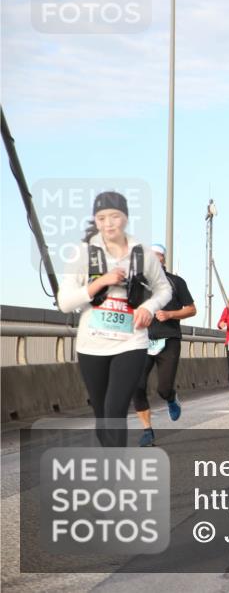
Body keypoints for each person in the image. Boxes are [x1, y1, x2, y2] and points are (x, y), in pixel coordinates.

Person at [57, 191, 172, 447]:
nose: (108, 223)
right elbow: (65, 303)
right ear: (95, 221)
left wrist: (150, 307)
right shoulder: (83, 254)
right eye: (101, 218)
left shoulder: (142, 254)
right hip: (92, 344)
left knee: (115, 410)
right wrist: (101, 283)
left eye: (114, 216)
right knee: (102, 414)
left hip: (131, 341)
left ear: (126, 218)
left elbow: (164, 289)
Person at [133, 243, 197, 446]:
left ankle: (170, 397)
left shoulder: (176, 282)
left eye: (158, 255)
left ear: (163, 259)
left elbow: (191, 309)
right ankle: (147, 430)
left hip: (168, 339)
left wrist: (170, 314)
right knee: (137, 386)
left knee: (163, 388)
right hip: (141, 340)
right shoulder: (136, 283)